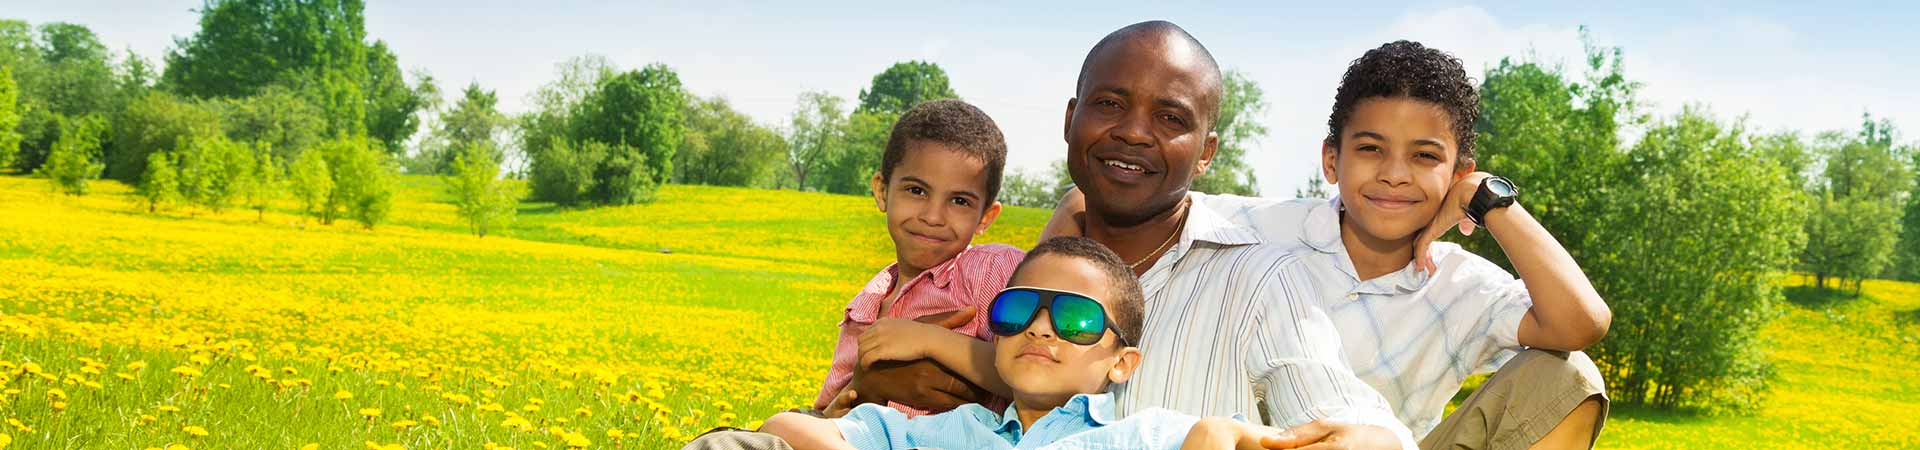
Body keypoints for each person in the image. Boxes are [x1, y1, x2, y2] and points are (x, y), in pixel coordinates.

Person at [1044, 40, 1612, 449]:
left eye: (1424, 156)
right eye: (1370, 149)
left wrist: (1487, 199)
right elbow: (1095, 196)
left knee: (1569, 377)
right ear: (1331, 160)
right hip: (1260, 438)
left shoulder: (1464, 285)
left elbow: (1581, 322)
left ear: (1456, 172)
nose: (1394, 174)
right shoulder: (1258, 227)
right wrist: (1027, 299)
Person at [762, 237, 1220, 450]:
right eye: (1016, 310)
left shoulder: (1140, 437)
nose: (1039, 329)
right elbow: (785, 427)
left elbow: (1222, 438)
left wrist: (1213, 437)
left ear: (1122, 363)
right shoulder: (955, 431)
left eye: (1075, 318)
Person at [811, 99, 1026, 418]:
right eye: (916, 191)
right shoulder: (864, 305)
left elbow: (1035, 375)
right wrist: (839, 407)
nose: (932, 216)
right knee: (783, 426)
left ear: (985, 217)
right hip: (854, 439)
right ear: (882, 191)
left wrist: (930, 340)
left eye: (959, 201)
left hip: (962, 440)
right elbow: (830, 409)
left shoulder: (991, 270)